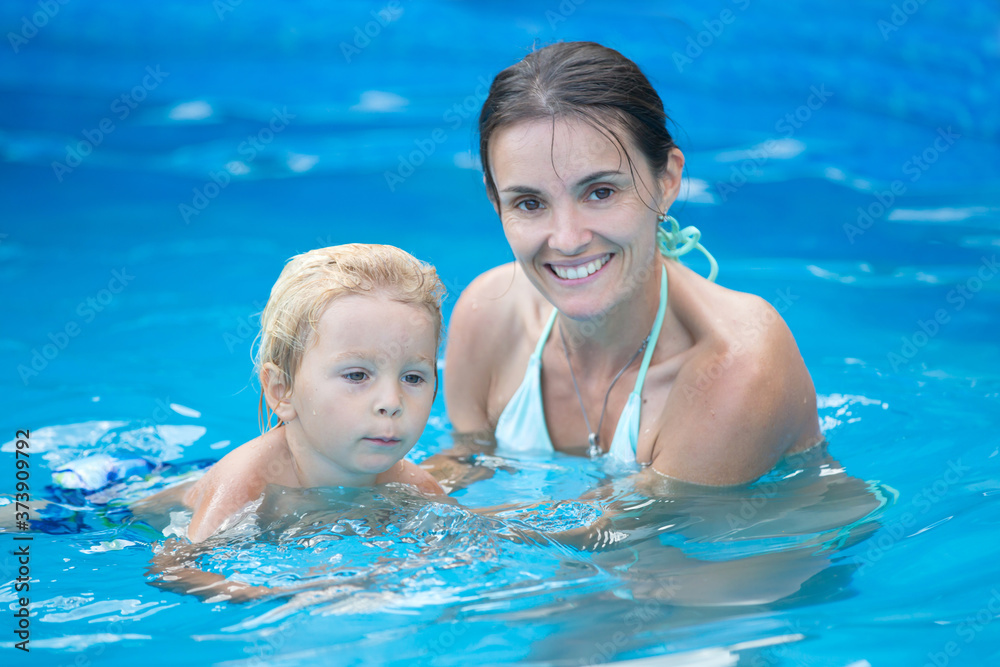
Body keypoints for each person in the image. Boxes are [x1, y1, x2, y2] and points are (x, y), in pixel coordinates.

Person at [442, 41, 823, 486]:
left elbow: (627, 538)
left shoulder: (736, 360)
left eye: (600, 192)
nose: (566, 240)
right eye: (529, 202)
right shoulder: (488, 315)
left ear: (667, 181)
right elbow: (465, 466)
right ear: (495, 202)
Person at [137, 243, 445, 544]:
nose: (391, 403)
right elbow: (178, 569)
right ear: (281, 391)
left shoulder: (410, 484)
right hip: (122, 511)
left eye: (413, 378)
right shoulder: (250, 480)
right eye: (356, 375)